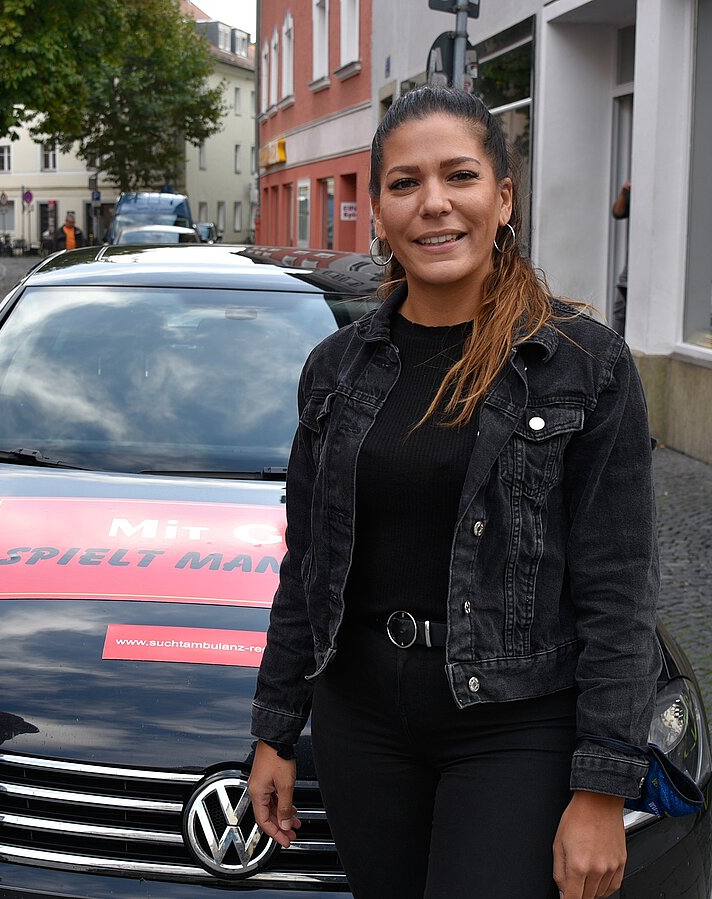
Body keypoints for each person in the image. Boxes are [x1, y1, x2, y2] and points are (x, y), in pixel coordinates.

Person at [248, 87, 658, 899]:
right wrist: (276, 728)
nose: (433, 203)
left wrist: (603, 785)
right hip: (362, 718)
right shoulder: (336, 369)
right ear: (378, 210)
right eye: (405, 183)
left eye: (459, 176)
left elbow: (619, 589)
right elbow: (308, 566)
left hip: (514, 723)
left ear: (502, 199)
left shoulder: (584, 364)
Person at [611, 178, 631, 335]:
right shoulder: (635, 190)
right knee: (620, 309)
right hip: (632, 262)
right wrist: (624, 193)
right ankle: (616, 342)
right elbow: (617, 213)